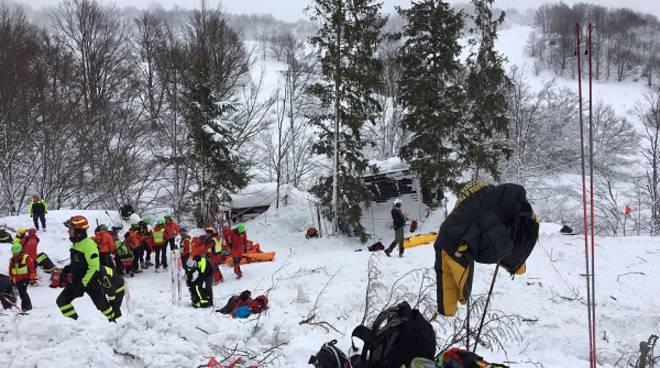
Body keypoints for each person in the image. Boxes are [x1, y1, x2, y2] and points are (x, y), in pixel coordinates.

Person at [434, 181, 539, 316]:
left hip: (461, 235)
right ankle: (515, 264)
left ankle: (448, 310)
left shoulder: (452, 225)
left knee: (449, 254)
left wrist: (447, 309)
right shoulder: (494, 197)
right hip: (508, 211)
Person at [56, 215, 117, 322]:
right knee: (62, 301)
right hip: (77, 281)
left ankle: (113, 320)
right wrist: (67, 270)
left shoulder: (89, 245)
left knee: (102, 306)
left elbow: (94, 267)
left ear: (78, 231)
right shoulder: (76, 244)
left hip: (90, 282)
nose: (68, 232)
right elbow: (79, 262)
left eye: (70, 229)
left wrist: (83, 284)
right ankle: (76, 322)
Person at [8, 242, 33, 311]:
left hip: (25, 278)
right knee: (22, 293)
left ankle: (26, 308)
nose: (15, 254)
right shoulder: (12, 260)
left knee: (23, 293)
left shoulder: (26, 258)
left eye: (16, 253)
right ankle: (28, 307)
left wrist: (32, 278)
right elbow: (10, 270)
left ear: (20, 251)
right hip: (17, 279)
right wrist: (11, 278)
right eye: (14, 253)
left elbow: (31, 268)